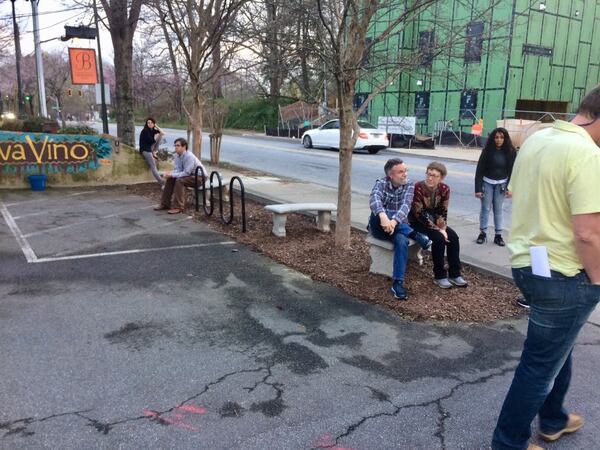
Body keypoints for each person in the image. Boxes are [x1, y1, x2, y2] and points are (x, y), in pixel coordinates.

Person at [491, 86, 600, 450]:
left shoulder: (538, 140)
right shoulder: (587, 154)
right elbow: (587, 233)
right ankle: (508, 444)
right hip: (566, 276)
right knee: (538, 366)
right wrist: (597, 278)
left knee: (557, 348)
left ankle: (553, 419)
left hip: (528, 266)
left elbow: (519, 196)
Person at [368, 158, 432, 300]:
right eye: (401, 172)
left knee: (401, 241)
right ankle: (416, 235)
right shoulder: (381, 183)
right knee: (379, 213)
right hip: (378, 226)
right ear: (391, 175)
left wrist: (393, 222)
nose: (405, 174)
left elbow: (406, 206)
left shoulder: (409, 185)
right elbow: (374, 200)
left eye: (405, 170)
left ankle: (397, 282)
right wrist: (384, 217)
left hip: (397, 228)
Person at [409, 162, 467, 289]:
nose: (430, 178)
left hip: (435, 221)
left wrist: (443, 228)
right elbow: (418, 213)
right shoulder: (417, 187)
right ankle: (439, 276)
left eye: (434, 176)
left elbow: (443, 211)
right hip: (417, 222)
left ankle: (455, 273)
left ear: (441, 178)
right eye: (428, 174)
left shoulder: (445, 189)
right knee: (439, 239)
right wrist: (439, 231)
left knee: (453, 237)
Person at [475, 127, 517, 246]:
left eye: (502, 137)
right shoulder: (487, 151)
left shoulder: (511, 152)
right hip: (487, 183)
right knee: (485, 208)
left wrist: (510, 187)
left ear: (506, 139)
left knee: (498, 210)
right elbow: (479, 170)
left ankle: (498, 235)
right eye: (496, 137)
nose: (499, 140)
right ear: (493, 138)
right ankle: (482, 233)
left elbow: (513, 171)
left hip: (501, 185)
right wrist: (478, 189)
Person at [154, 138, 206, 214]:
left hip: (199, 178)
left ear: (184, 147)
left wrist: (172, 174)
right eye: (175, 145)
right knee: (171, 179)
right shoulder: (177, 156)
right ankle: (165, 204)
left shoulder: (189, 156)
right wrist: (170, 174)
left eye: (178, 145)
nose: (176, 147)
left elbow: (186, 173)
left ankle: (179, 207)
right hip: (189, 176)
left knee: (179, 181)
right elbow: (178, 170)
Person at [139, 117, 165, 185]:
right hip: (145, 150)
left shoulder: (152, 129)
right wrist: (156, 136)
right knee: (153, 165)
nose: (149, 124)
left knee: (160, 135)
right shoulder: (145, 131)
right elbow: (151, 141)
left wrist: (156, 126)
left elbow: (162, 133)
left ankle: (154, 152)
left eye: (151, 123)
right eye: (148, 123)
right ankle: (161, 182)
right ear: (146, 124)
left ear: (153, 123)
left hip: (150, 148)